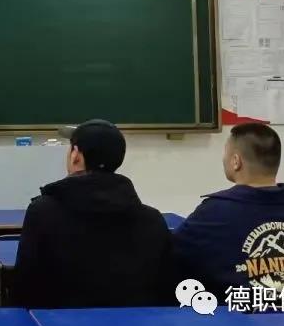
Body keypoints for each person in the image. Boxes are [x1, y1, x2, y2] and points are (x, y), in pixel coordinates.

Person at [13, 119, 175, 308]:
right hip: (135, 324)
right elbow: (167, 290)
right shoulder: (153, 220)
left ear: (76, 156)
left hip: (56, 324)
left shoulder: (42, 213)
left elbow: (25, 288)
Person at [173, 123, 284, 305]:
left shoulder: (212, 213)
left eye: (225, 153)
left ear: (236, 161)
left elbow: (174, 259)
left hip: (237, 319)